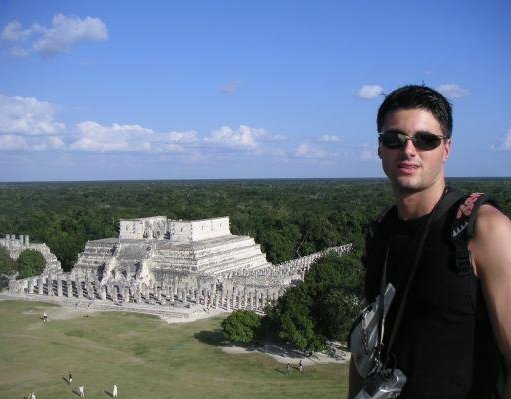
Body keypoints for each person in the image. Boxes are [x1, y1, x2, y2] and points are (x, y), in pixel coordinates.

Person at [348, 85, 511, 399]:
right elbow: (365, 349)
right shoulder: (380, 232)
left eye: (426, 140)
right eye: (394, 139)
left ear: (446, 149)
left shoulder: (484, 229)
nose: (409, 151)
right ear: (379, 148)